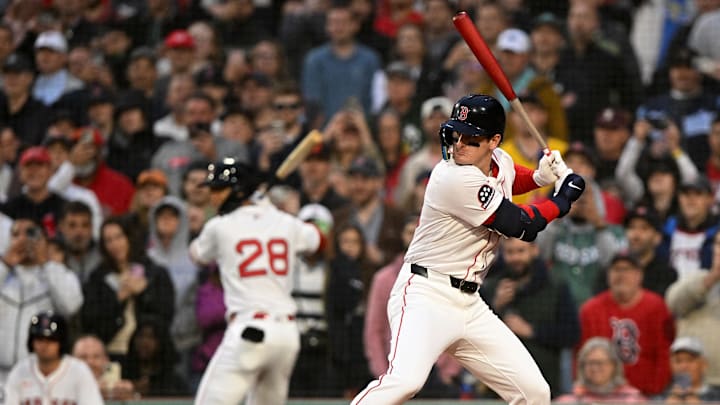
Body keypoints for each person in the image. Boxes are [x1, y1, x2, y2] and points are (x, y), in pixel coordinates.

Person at [351, 94, 585, 403]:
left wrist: (541, 176)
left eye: (471, 138)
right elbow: (520, 225)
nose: (460, 143)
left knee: (534, 393)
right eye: (457, 134)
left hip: (469, 302)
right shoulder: (452, 176)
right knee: (405, 381)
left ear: (494, 141)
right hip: (426, 294)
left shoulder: (498, 160)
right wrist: (562, 199)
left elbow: (509, 178)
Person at [190, 158, 325, 405]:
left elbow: (197, 254)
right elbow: (319, 239)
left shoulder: (218, 227)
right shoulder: (286, 221)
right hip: (286, 336)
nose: (212, 196)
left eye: (219, 190)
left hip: (248, 332)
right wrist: (271, 212)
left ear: (239, 190)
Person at [0, 218, 83, 388]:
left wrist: (46, 262)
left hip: (41, 377)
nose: (23, 240)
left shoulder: (57, 272)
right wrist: (5, 263)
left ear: (43, 239)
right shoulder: (3, 274)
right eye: (16, 234)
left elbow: (70, 305)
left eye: (30, 233)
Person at [579, 251, 675, 396]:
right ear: (608, 275)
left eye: (627, 269)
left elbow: (664, 352)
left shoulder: (656, 307)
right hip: (601, 395)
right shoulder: (590, 310)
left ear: (639, 274)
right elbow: (582, 355)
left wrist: (656, 390)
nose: (621, 275)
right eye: (616, 269)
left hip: (648, 394)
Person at [4, 311, 103, 405]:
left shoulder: (79, 372)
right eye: (39, 339)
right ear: (31, 342)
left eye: (51, 340)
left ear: (61, 342)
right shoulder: (20, 371)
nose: (44, 345)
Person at [665, 230, 720, 387]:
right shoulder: (697, 278)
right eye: (718, 244)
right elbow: (673, 304)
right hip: (692, 384)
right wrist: (713, 276)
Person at [555, 337, 645, 403]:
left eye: (600, 362)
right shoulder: (569, 401)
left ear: (614, 365)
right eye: (590, 363)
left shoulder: (632, 400)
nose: (594, 368)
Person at [72, 334, 135, 401]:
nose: (90, 362)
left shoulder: (118, 389)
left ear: (106, 360)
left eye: (96, 356)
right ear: (71, 360)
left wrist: (129, 398)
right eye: (83, 357)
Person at [663, 336, 720, 402]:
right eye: (678, 361)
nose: (684, 366)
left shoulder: (716, 396)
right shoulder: (659, 396)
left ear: (704, 365)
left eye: (690, 360)